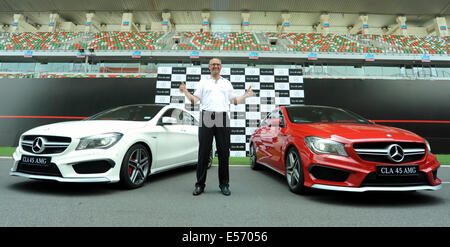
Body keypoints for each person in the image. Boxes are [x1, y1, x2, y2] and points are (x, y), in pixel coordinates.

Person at [179, 58, 253, 196]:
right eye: (213, 64)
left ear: (221, 67)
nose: (215, 66)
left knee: (224, 153)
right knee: (203, 153)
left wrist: (246, 95)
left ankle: (224, 184)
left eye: (218, 64)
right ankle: (200, 185)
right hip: (207, 116)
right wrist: (185, 92)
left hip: (222, 117)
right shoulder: (203, 82)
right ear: (209, 67)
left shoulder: (226, 83)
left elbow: (235, 101)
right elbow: (195, 100)